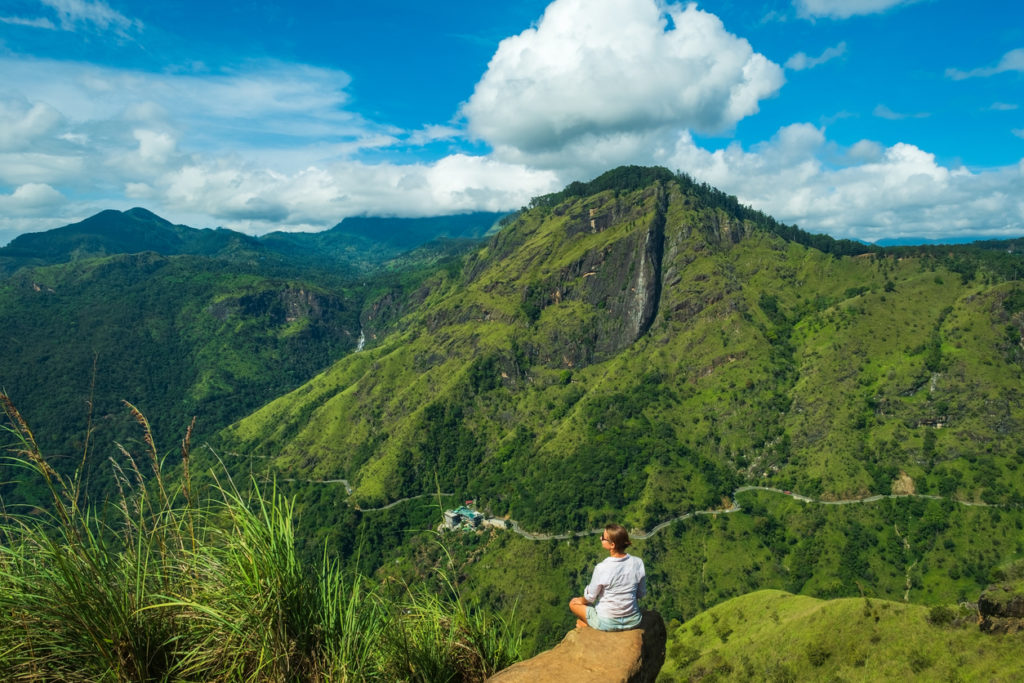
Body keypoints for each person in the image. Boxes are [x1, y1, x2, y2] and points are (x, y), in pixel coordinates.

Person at [569, 523, 646, 631]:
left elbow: (590, 597)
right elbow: (641, 593)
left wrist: (580, 600)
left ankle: (590, 626)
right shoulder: (638, 563)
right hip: (633, 621)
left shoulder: (602, 568)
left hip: (607, 623)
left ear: (612, 545)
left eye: (603, 537)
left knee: (573, 604)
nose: (600, 538)